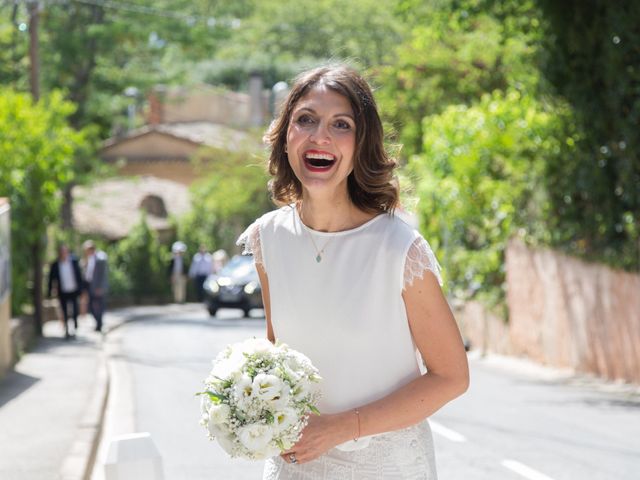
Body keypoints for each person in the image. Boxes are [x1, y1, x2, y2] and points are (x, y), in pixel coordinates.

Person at [237, 65, 469, 479]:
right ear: (286, 136)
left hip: (388, 466)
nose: (319, 136)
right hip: (299, 465)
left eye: (340, 124)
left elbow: (450, 376)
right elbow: (280, 353)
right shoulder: (266, 240)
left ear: (361, 145)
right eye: (305, 119)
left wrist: (344, 427)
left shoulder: (399, 248)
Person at [47, 244, 83, 339]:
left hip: (73, 289)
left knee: (75, 309)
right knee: (64, 310)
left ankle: (75, 325)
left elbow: (79, 275)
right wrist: (50, 291)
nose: (63, 253)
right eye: (62, 252)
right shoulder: (55, 264)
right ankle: (67, 329)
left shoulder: (74, 261)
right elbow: (51, 279)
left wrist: (82, 289)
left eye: (65, 251)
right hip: (62, 291)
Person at [82, 240, 109, 332]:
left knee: (99, 306)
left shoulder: (100, 258)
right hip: (89, 285)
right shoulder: (87, 259)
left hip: (98, 287)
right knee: (91, 306)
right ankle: (98, 322)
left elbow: (103, 275)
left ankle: (99, 324)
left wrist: (100, 287)